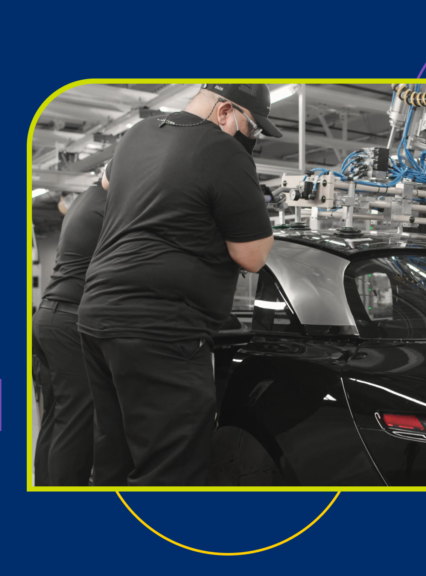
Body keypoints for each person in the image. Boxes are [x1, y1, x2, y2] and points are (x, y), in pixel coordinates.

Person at [77, 84, 280, 486]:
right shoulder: (224, 151)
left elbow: (106, 186)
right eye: (253, 129)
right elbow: (253, 257)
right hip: (160, 326)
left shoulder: (138, 133)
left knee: (114, 454)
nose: (251, 139)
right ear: (225, 112)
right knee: (170, 466)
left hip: (98, 313)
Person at [32, 179, 107, 485]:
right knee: (76, 418)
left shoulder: (86, 200)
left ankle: (48, 487)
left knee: (57, 414)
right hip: (67, 318)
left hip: (50, 315)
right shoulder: (107, 206)